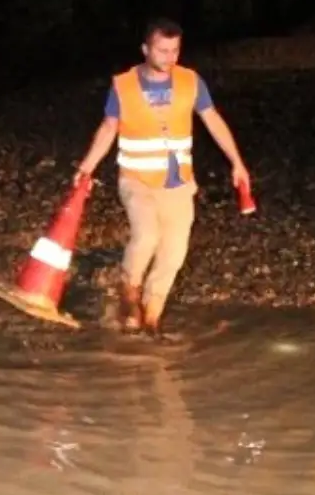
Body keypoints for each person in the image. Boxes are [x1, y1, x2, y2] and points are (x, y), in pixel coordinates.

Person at [75, 18, 251, 335]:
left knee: (174, 253)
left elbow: (212, 120)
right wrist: (86, 167)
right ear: (145, 49)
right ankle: (129, 289)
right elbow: (108, 128)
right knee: (146, 235)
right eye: (162, 50)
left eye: (175, 51)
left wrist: (237, 163)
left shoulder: (191, 81)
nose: (169, 57)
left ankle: (152, 317)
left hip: (179, 184)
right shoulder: (123, 85)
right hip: (137, 179)